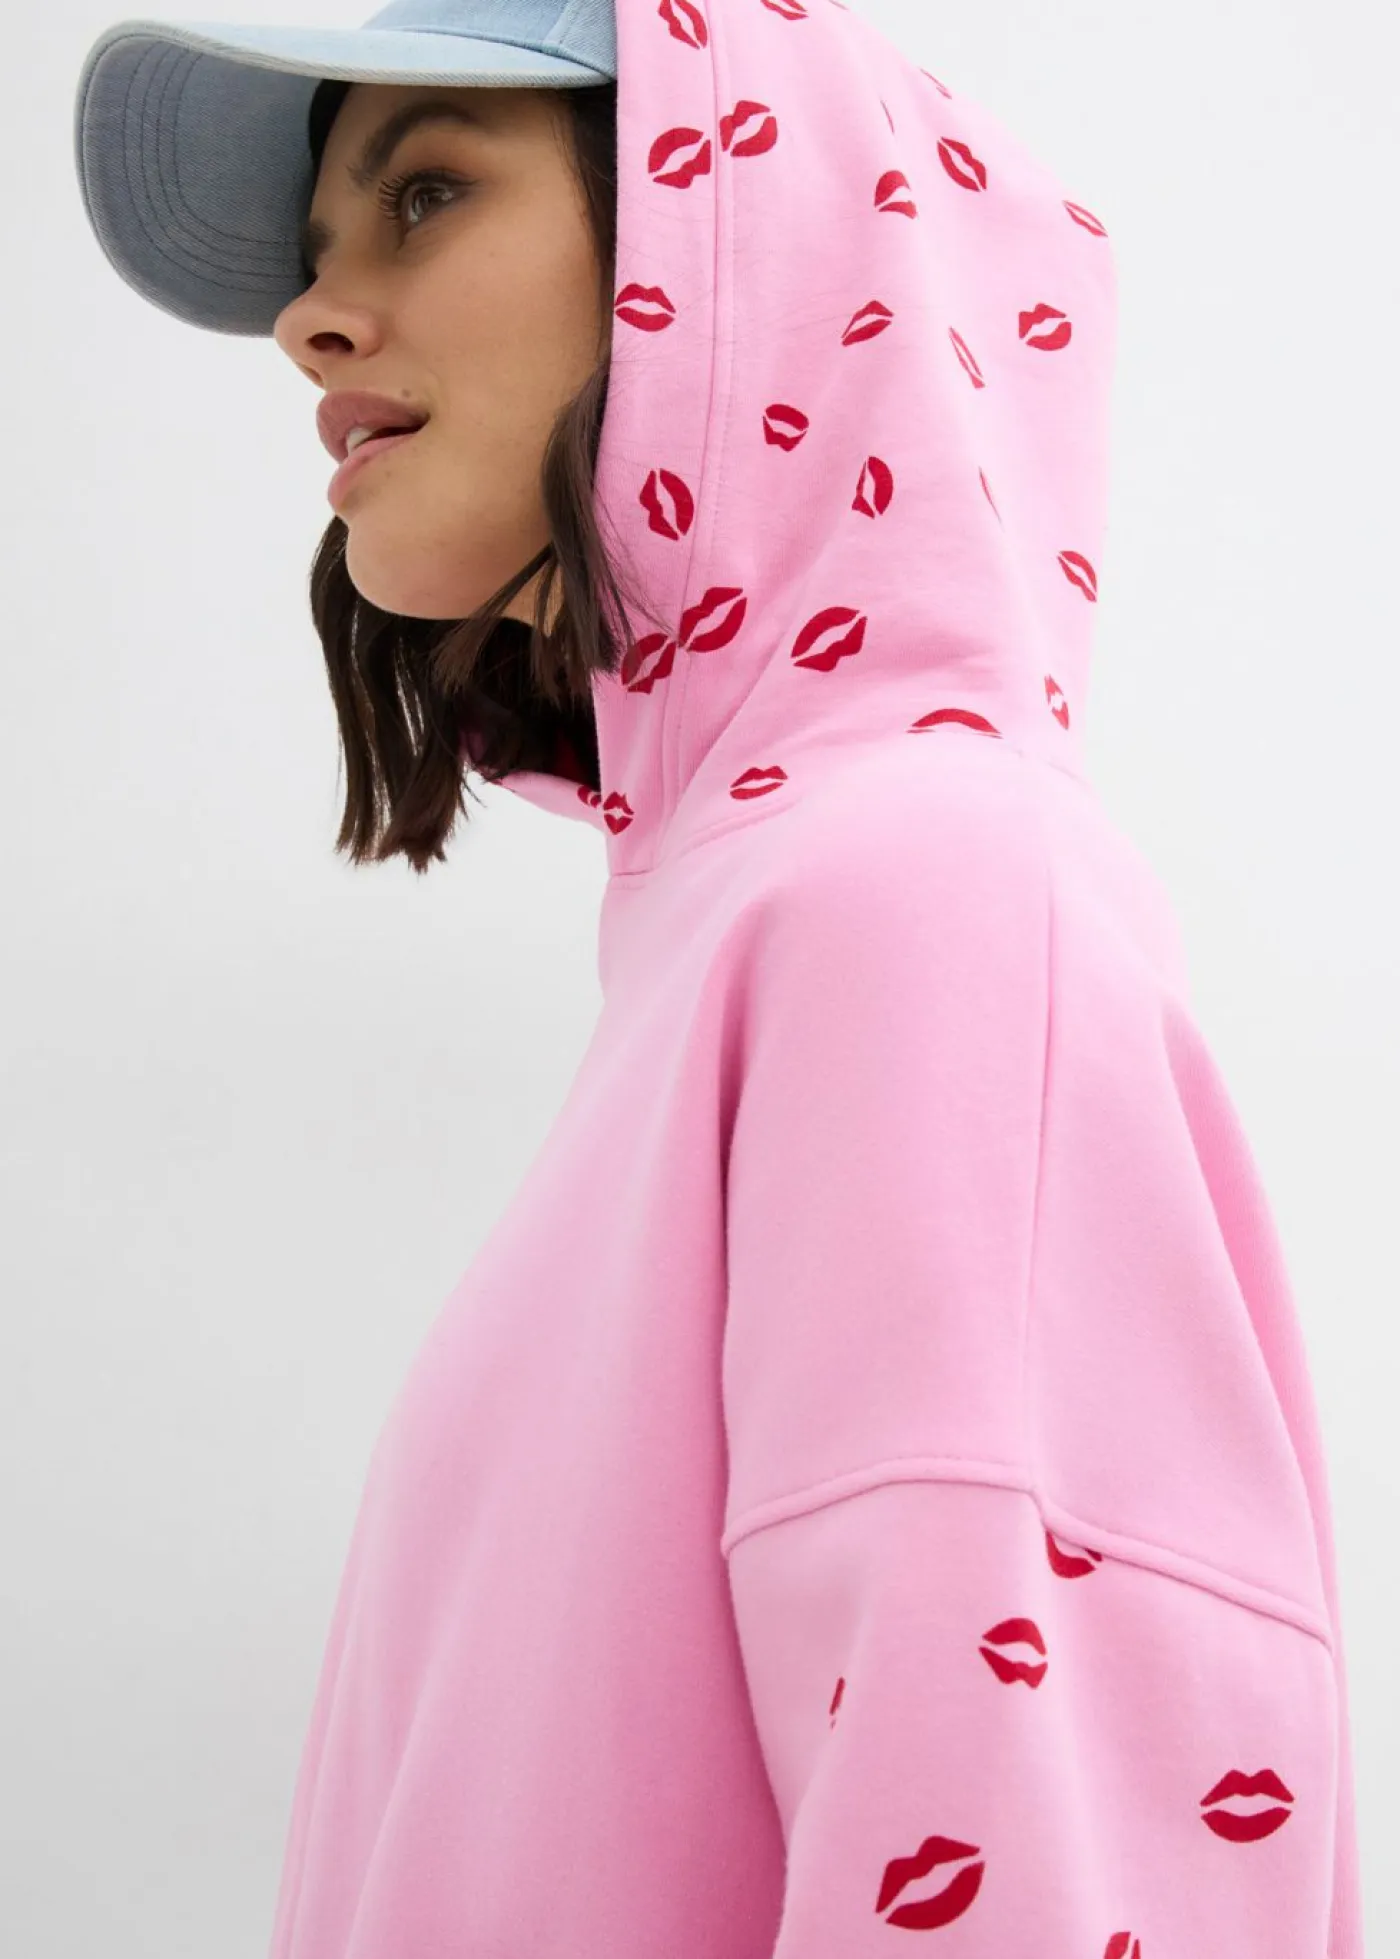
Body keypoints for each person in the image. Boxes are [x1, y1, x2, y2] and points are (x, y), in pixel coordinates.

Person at [73, 3, 1367, 1955]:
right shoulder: (747, 935)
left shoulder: (924, 898)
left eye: (426, 193)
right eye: (321, 252)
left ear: (724, 241)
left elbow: (1035, 1858)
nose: (310, 325)